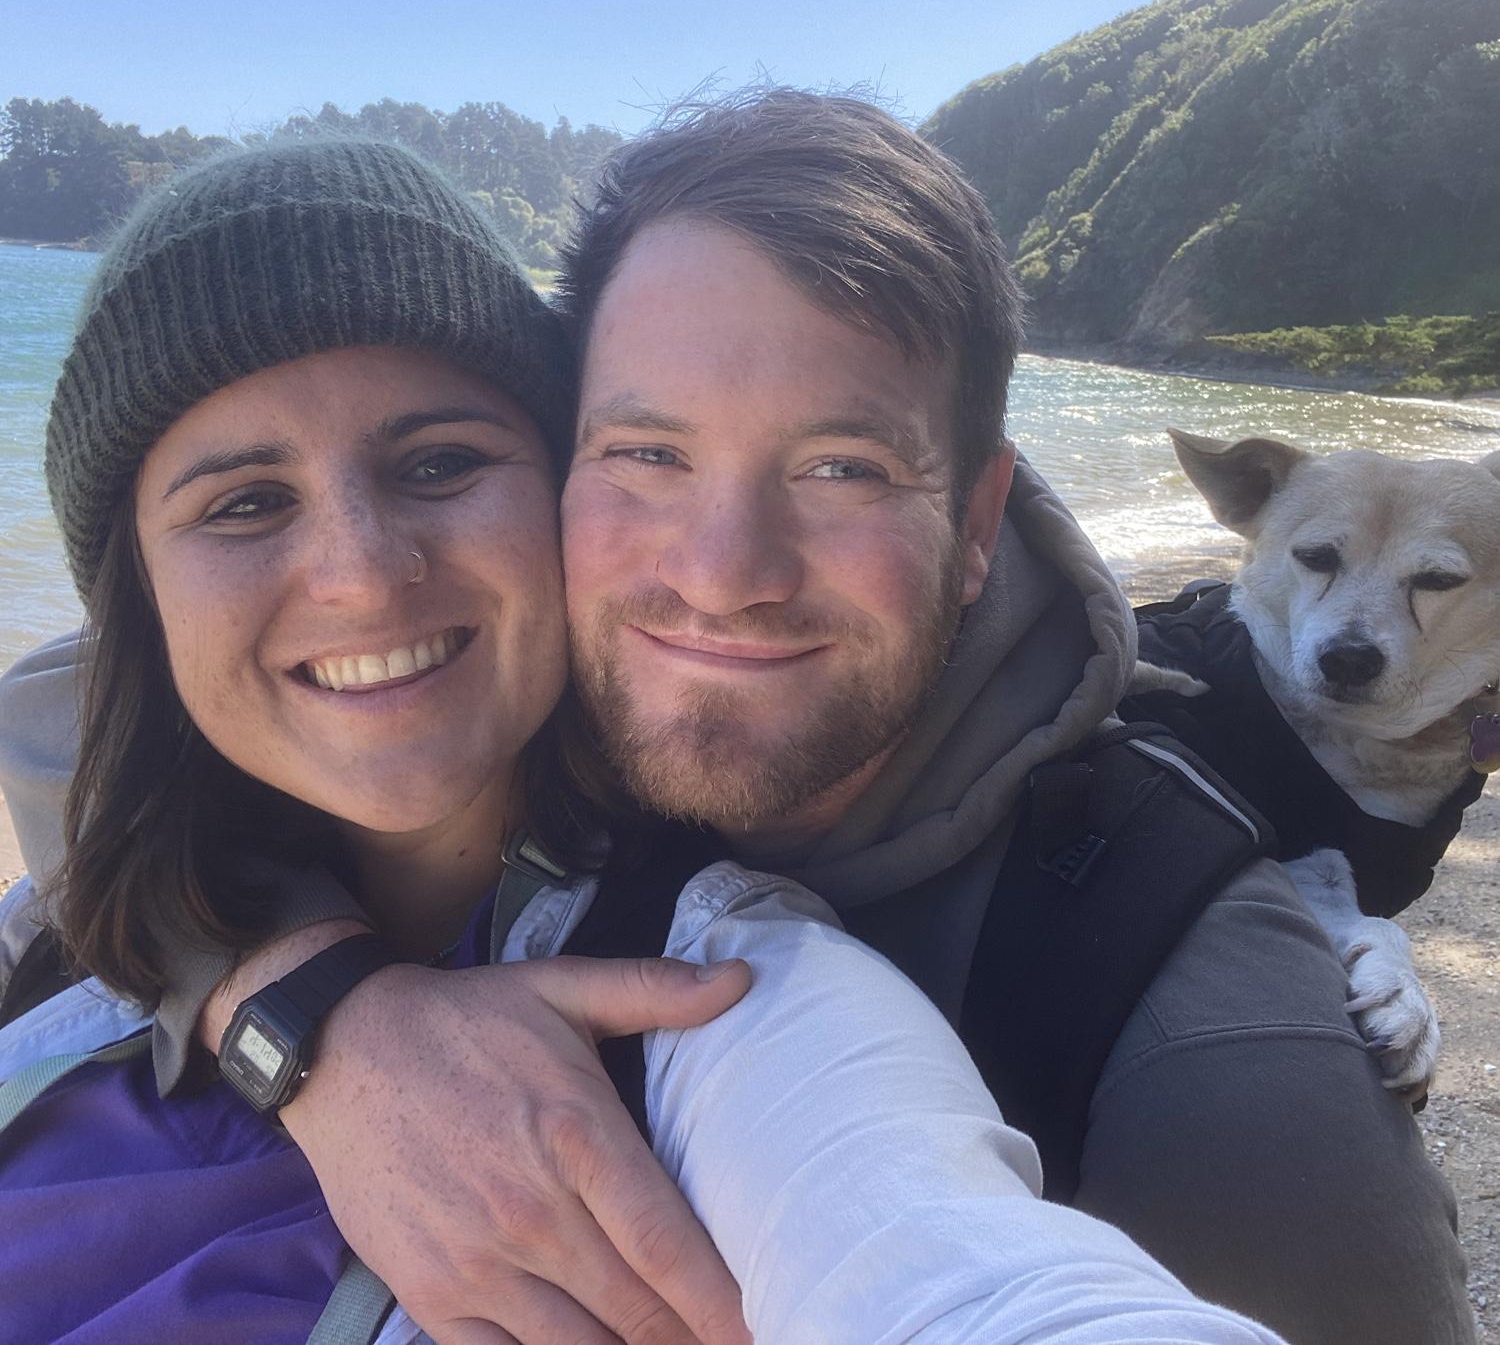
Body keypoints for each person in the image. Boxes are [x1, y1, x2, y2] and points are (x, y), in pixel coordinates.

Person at [0, 94, 1474, 1344]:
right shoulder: (249, 811)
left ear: (977, 526)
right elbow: (86, 706)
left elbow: (949, 1271)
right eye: (647, 452)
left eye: (842, 469)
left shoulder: (1206, 1041)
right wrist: (311, 1007)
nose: (722, 575)